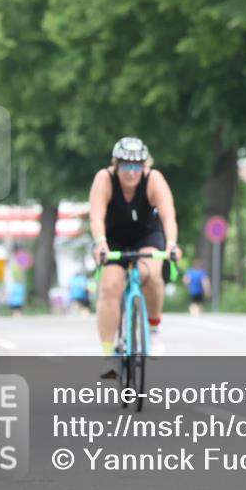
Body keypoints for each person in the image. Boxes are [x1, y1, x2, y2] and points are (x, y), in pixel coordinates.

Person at [89, 137, 182, 377]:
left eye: (137, 166)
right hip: (113, 239)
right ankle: (109, 355)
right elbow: (96, 216)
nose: (131, 172)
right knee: (110, 287)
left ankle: (153, 329)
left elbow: (168, 216)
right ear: (116, 165)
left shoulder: (154, 179)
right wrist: (101, 244)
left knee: (150, 273)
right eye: (126, 166)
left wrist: (171, 244)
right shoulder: (104, 179)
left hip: (146, 236)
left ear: (144, 165)